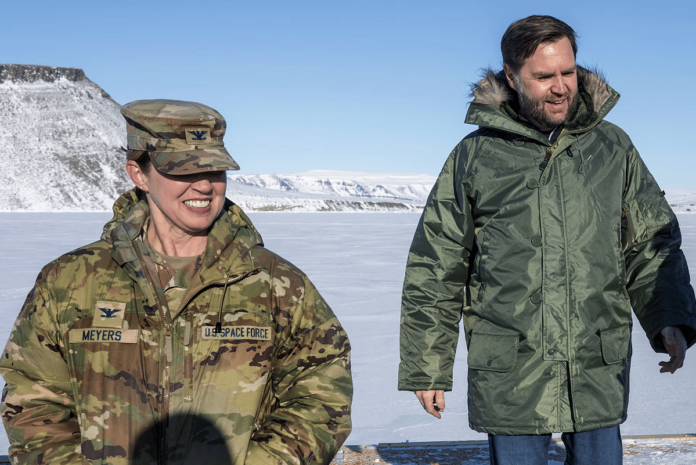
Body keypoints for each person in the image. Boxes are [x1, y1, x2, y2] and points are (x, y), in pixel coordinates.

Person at [398, 15, 696, 464]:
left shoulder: (612, 148)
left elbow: (651, 245)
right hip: (511, 368)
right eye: (543, 77)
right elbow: (436, 267)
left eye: (568, 72)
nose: (560, 87)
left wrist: (669, 316)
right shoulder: (474, 156)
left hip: (596, 362)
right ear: (512, 76)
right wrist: (427, 365)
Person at [0, 99, 352, 464]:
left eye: (215, 170)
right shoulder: (69, 281)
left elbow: (322, 398)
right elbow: (32, 402)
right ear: (138, 174)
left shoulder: (277, 284)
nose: (204, 186)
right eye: (183, 171)